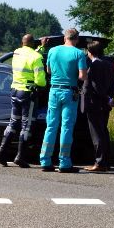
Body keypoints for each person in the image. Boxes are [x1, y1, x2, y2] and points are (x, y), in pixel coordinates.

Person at [0, 34, 46, 168]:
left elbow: (29, 55)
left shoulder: (17, 53)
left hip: (15, 91)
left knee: (13, 122)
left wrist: (41, 47)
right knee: (26, 125)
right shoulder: (36, 57)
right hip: (28, 93)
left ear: (22, 43)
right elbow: (40, 80)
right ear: (33, 44)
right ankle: (20, 156)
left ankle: (1, 151)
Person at [39, 28, 87, 173]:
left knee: (51, 125)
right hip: (69, 91)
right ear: (77, 39)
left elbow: (48, 71)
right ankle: (64, 162)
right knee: (66, 126)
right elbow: (82, 77)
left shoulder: (53, 51)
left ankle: (45, 160)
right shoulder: (79, 53)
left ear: (64, 38)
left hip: (53, 90)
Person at [81, 41, 114, 172]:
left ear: (90, 52)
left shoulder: (95, 65)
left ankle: (100, 163)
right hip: (105, 104)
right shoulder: (108, 64)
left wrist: (106, 98)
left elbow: (96, 87)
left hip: (94, 103)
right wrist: (110, 97)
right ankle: (106, 162)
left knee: (97, 134)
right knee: (103, 132)